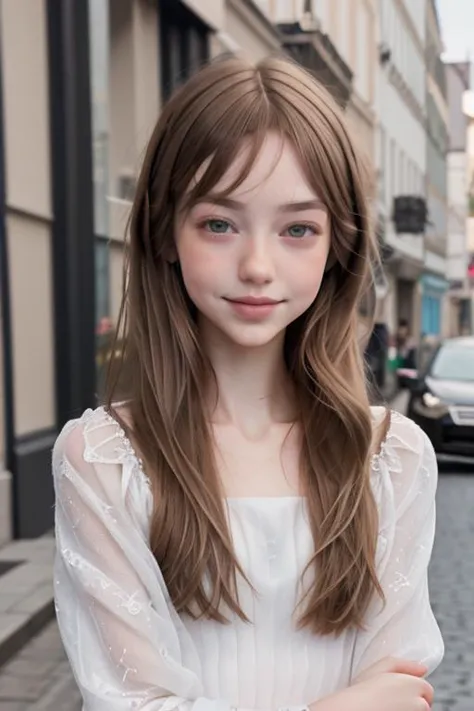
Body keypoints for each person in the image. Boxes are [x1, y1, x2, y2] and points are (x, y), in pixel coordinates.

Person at [52, 56, 443, 711]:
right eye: (219, 223)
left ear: (336, 246)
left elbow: (400, 693)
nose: (258, 265)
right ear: (166, 232)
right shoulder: (105, 461)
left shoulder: (390, 457)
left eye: (297, 229)